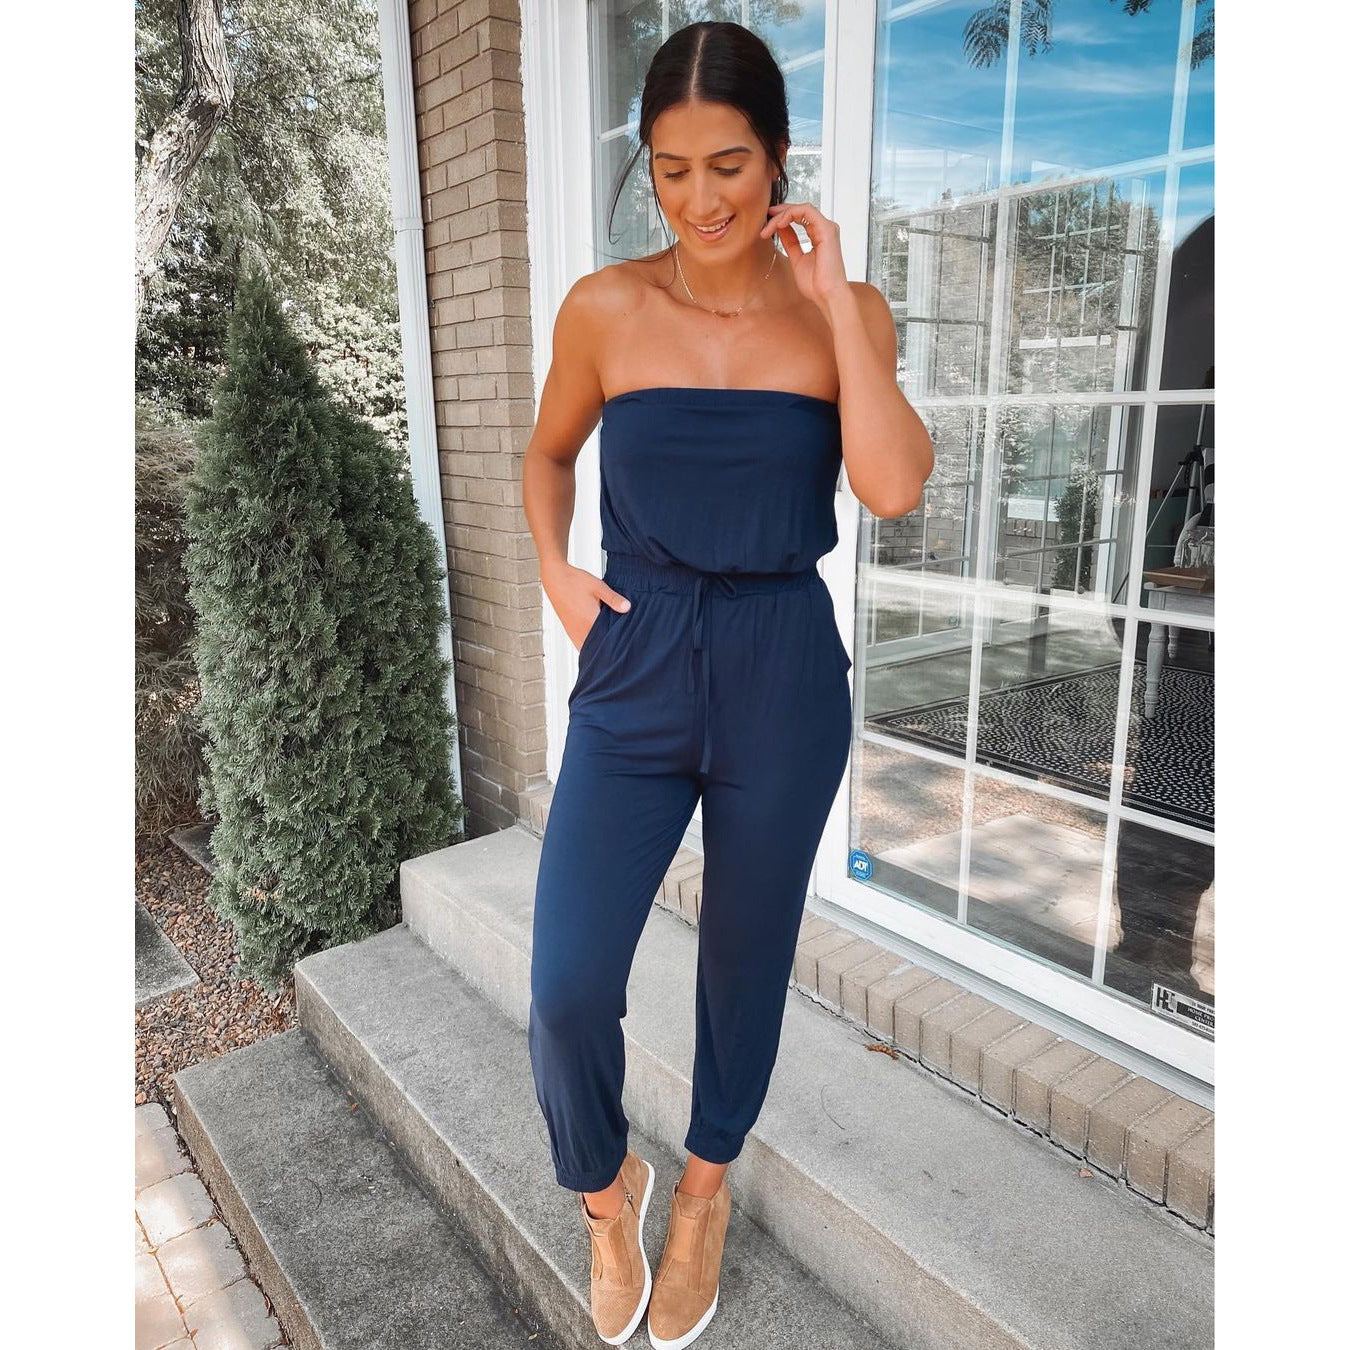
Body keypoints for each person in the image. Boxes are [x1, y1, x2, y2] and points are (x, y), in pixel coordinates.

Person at [520, 20, 934, 1348]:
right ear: (648, 168)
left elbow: (891, 485)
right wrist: (555, 570)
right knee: (567, 983)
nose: (700, 199)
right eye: (672, 169)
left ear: (779, 160)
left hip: (780, 669)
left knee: (743, 966)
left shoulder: (843, 315)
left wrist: (836, 310)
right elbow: (547, 453)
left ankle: (703, 1190)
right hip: (635, 659)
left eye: (729, 165)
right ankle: (607, 1194)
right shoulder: (603, 308)